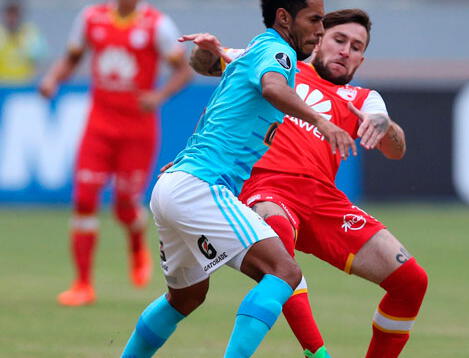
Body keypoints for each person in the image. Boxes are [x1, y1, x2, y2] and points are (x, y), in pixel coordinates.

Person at [120, 0, 357, 357]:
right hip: (200, 188)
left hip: (175, 186)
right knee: (284, 271)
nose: (320, 30)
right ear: (284, 17)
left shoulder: (257, 49)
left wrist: (211, 53)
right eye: (314, 20)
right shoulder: (278, 52)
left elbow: (213, 83)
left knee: (186, 297)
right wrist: (322, 121)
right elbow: (273, 88)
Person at [188, 9, 428, 358]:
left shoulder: (364, 99)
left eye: (356, 46)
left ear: (362, 57)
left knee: (412, 281)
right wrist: (207, 50)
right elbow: (202, 63)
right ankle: (316, 351)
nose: (346, 50)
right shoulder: (280, 63)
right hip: (265, 186)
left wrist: (386, 126)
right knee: (278, 241)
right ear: (318, 39)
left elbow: (396, 148)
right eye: (339, 40)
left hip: (323, 200)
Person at [38, 0, 192, 306]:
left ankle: (136, 244)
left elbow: (184, 71)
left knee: (124, 204)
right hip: (98, 127)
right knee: (84, 199)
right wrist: (53, 78)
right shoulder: (91, 18)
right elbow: (72, 57)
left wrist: (159, 95)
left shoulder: (156, 24)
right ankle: (82, 284)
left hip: (137, 132)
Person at [0, 0, 47, 83]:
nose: (12, 19)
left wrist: (23, 43)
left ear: (20, 15)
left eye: (15, 14)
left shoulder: (30, 32)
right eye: (10, 14)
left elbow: (42, 57)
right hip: (2, 86)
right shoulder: (1, 34)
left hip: (25, 85)